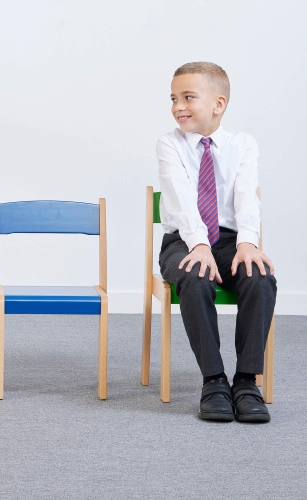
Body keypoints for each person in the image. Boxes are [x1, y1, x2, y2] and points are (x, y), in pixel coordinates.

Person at [156, 62, 277, 422]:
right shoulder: (170, 144)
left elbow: (246, 196)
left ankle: (245, 382)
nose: (178, 106)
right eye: (174, 98)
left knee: (260, 278)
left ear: (218, 104)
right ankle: (213, 381)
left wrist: (248, 242)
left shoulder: (243, 144)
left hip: (230, 240)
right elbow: (180, 197)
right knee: (195, 277)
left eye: (188, 97)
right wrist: (199, 245)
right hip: (182, 240)